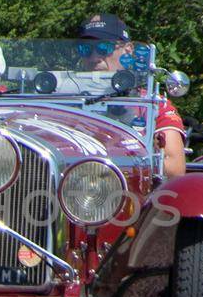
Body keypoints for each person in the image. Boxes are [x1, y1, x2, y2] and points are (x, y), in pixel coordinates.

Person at [75, 13, 186, 177]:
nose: (94, 57)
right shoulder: (65, 102)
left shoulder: (152, 104)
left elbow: (173, 167)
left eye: (103, 47)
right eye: (85, 49)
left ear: (128, 49)